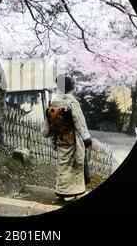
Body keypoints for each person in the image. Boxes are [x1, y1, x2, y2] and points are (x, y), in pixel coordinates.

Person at [44, 74, 92, 202]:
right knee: (75, 165)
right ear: (72, 87)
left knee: (63, 165)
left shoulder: (54, 101)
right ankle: (71, 193)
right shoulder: (72, 102)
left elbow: (49, 120)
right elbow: (79, 121)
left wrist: (48, 132)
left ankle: (61, 191)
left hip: (60, 137)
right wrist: (86, 137)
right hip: (73, 139)